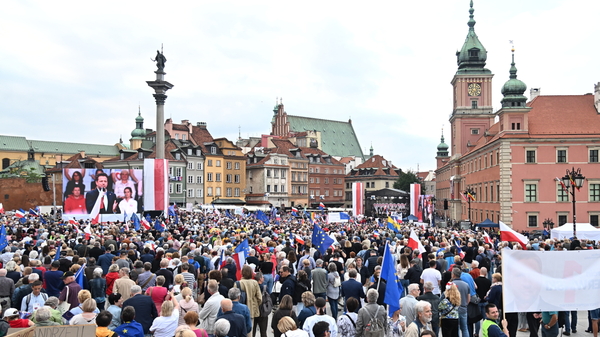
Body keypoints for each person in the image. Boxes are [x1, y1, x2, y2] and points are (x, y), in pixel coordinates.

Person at [237, 265, 262, 332]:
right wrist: (256, 304)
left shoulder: (238, 283)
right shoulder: (255, 283)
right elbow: (259, 298)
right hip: (252, 309)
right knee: (249, 330)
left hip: (240, 310)